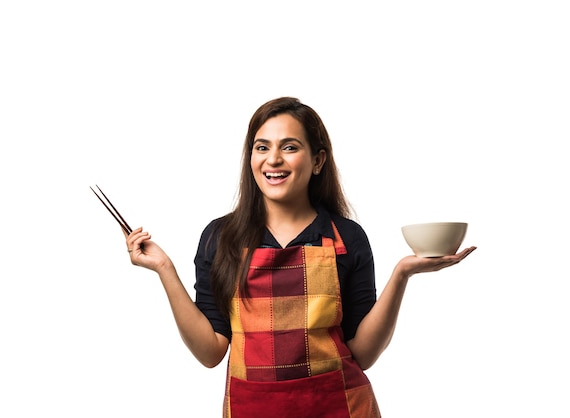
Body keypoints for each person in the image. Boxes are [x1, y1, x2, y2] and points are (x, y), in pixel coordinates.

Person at [123, 97, 476, 417]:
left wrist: (402, 274)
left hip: (339, 408)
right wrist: (164, 269)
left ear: (318, 160)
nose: (273, 159)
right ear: (251, 159)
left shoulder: (346, 237)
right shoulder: (221, 238)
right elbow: (211, 351)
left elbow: (363, 355)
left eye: (289, 147)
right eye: (262, 147)